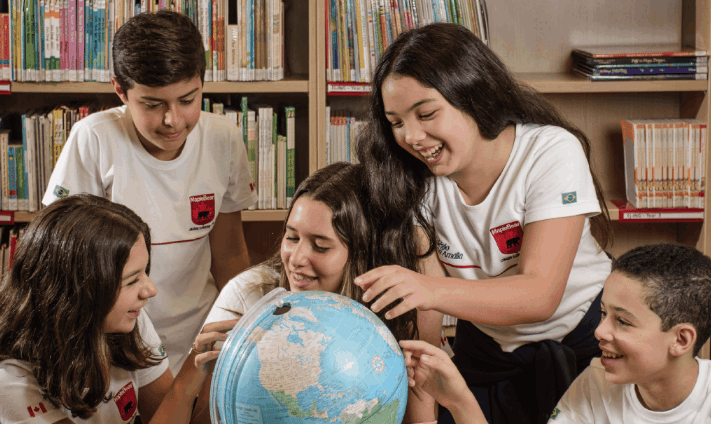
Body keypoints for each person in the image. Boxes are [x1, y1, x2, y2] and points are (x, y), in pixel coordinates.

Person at [354, 22, 613, 424]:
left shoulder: (551, 150)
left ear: (473, 94)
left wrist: (427, 289)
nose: (412, 137)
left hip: (587, 344)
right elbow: (425, 326)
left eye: (426, 114)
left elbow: (540, 295)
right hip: (487, 350)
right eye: (396, 122)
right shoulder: (413, 179)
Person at [41, 10, 257, 375]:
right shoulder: (93, 139)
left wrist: (245, 329)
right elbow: (65, 264)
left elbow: (229, 252)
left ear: (202, 83)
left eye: (187, 100)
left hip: (201, 334)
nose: (172, 120)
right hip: (115, 340)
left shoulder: (224, 138)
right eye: (153, 105)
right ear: (120, 91)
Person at [180, 162, 445, 423]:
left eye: (320, 246)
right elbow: (206, 417)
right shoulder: (247, 294)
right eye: (292, 238)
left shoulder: (398, 308)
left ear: (361, 253)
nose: (296, 259)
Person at [0, 194, 235, 423]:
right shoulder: (11, 382)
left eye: (145, 272)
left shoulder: (129, 321)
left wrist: (203, 374)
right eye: (132, 281)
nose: (151, 290)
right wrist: (186, 383)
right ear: (79, 292)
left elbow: (165, 411)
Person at [549, 243, 711, 423]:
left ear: (681, 340)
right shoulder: (595, 381)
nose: (599, 331)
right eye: (603, 312)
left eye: (622, 321)